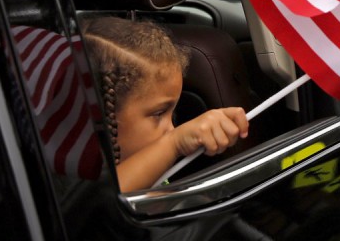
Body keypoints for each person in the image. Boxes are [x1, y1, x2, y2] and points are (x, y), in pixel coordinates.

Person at [81, 16, 249, 192]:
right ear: (99, 115)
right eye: (158, 113)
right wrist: (174, 144)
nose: (172, 129)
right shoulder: (72, 191)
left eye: (172, 113)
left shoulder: (157, 176)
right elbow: (98, 200)